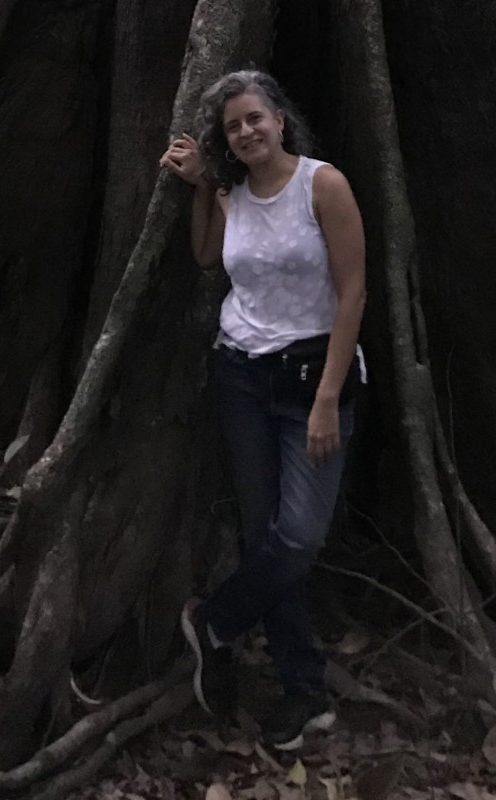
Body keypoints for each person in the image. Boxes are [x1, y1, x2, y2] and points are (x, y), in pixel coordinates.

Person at [158, 70, 366, 752]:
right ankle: (301, 686)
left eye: (254, 118)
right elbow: (204, 256)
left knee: (298, 535)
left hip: (311, 378)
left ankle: (213, 624)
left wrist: (329, 397)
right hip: (241, 373)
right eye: (232, 127)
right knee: (262, 536)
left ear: (279, 118)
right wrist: (201, 192)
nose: (245, 132)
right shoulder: (233, 193)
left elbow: (352, 290)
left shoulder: (322, 184)